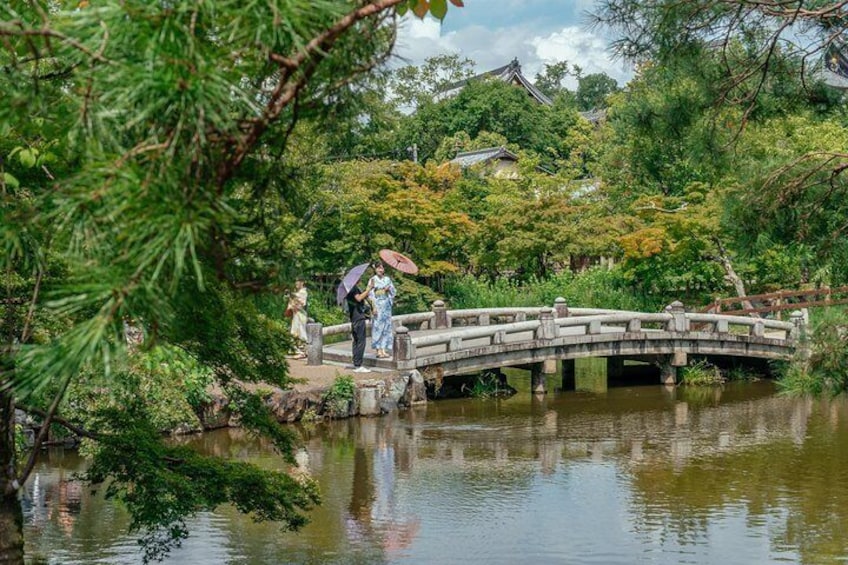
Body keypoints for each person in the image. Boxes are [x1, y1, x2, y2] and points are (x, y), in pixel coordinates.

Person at [368, 262, 396, 358]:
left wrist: (389, 289)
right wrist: (373, 307)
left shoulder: (387, 279)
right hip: (378, 304)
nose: (380, 270)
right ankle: (378, 350)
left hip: (386, 305)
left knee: (386, 327)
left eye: (382, 268)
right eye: (378, 268)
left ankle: (384, 349)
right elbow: (370, 294)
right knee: (377, 327)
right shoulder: (372, 280)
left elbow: (393, 292)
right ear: (375, 269)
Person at [346, 279, 373, 373]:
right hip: (358, 317)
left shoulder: (349, 288)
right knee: (361, 341)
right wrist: (369, 289)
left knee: (356, 341)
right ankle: (358, 365)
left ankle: (356, 361)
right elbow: (358, 298)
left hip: (354, 317)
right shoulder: (353, 288)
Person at [288, 278, 308, 359]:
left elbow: (300, 304)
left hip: (300, 314)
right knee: (294, 331)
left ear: (302, 283)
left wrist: (292, 301)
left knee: (300, 332)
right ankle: (298, 350)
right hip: (296, 314)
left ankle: (302, 352)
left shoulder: (303, 292)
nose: (296, 283)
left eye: (298, 281)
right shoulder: (298, 293)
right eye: (295, 281)